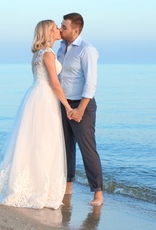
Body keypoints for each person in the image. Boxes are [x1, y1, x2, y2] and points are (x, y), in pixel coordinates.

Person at [0, 20, 73, 209]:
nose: (59, 30)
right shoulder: (47, 53)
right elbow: (54, 83)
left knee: (35, 142)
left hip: (37, 96)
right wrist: (68, 106)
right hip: (44, 99)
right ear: (48, 32)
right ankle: (37, 187)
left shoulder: (40, 53)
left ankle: (33, 183)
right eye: (55, 27)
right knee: (43, 143)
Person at [57, 12, 104, 206]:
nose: (61, 29)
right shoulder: (60, 47)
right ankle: (68, 188)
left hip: (81, 105)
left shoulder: (87, 50)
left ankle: (98, 194)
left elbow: (90, 84)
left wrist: (80, 110)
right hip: (63, 104)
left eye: (64, 27)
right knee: (66, 148)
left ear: (76, 30)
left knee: (87, 149)